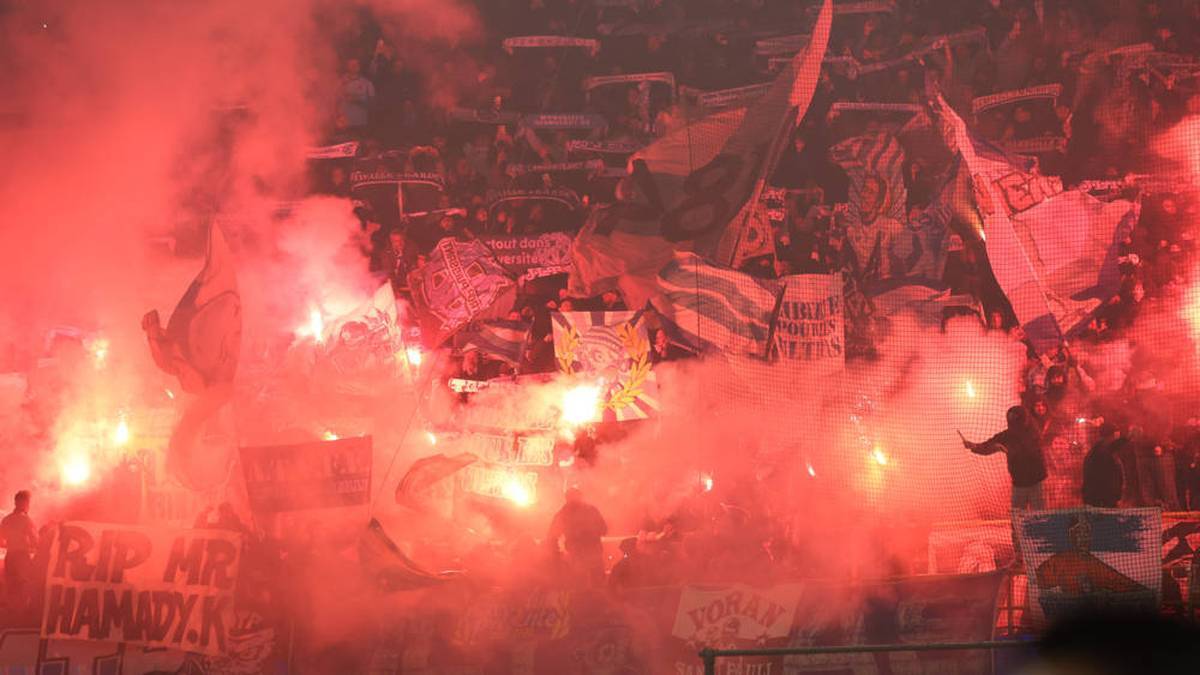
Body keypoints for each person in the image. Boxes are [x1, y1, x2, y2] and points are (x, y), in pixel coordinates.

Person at [962, 406, 1048, 513]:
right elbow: (988, 445)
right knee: (1017, 519)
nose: (1014, 428)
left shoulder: (1033, 432)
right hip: (1019, 484)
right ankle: (1017, 530)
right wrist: (974, 446)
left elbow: (1027, 450)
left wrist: (1004, 449)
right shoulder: (1008, 435)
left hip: (1036, 483)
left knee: (1040, 518)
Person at [546, 487, 607, 586]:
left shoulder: (563, 514)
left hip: (579, 556)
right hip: (590, 554)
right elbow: (603, 529)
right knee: (597, 584)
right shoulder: (590, 510)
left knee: (579, 585)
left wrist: (555, 555)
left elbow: (552, 536)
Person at [1, 490, 37, 613]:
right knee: (23, 583)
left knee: (11, 584)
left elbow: (1, 540)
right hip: (22, 556)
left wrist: (12, 542)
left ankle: (11, 611)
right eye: (28, 502)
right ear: (24, 503)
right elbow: (35, 540)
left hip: (10, 556)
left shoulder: (6, 520)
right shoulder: (26, 520)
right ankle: (22, 612)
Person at [1082, 422, 1125, 508]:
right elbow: (1113, 476)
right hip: (1106, 498)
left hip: (1094, 497)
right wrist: (1117, 496)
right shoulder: (1107, 451)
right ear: (1113, 435)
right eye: (1117, 434)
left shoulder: (1094, 450)